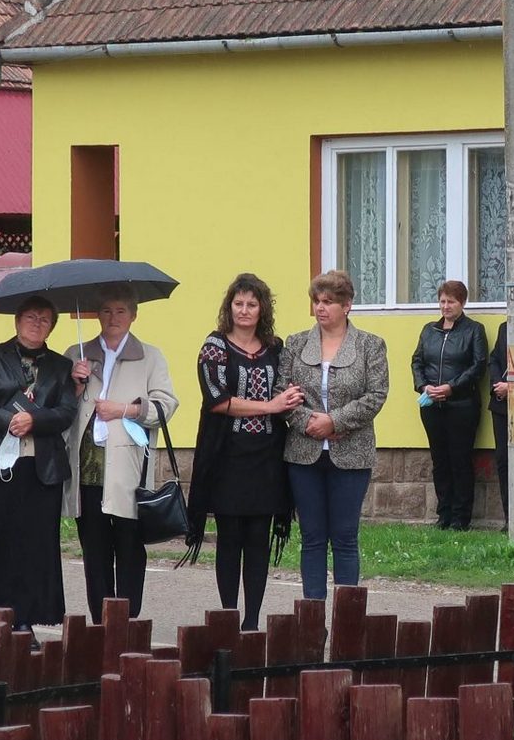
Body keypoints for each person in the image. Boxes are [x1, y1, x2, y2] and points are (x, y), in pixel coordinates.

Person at [0, 295, 78, 626]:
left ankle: (26, 617)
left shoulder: (61, 366)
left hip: (41, 468)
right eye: (31, 317)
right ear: (17, 320)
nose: (37, 324)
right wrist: (7, 418)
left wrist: (34, 421)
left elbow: (66, 412)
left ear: (52, 326)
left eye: (45, 319)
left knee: (33, 546)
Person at [190, 274, 299, 630]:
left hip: (266, 458)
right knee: (230, 538)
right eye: (239, 303)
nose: (244, 310)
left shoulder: (275, 348)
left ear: (262, 308)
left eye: (252, 304)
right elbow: (218, 400)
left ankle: (251, 622)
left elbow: (289, 392)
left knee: (258, 540)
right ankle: (228, 616)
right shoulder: (215, 346)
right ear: (229, 306)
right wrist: (270, 406)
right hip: (227, 457)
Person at [63, 288, 179, 619]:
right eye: (106, 311)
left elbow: (166, 404)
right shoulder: (77, 353)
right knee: (94, 549)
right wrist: (75, 384)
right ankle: (102, 620)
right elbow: (58, 407)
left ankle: (127, 620)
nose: (113, 318)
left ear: (133, 315)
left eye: (120, 311)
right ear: (97, 316)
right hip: (87, 465)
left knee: (129, 545)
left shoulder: (150, 356)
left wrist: (125, 409)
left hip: (128, 465)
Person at [281, 270, 389, 599]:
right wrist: (308, 423)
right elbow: (282, 394)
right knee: (312, 537)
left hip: (351, 455)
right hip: (304, 453)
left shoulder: (370, 345)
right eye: (316, 301)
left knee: (344, 537)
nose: (320, 308)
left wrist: (335, 421)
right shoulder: (296, 343)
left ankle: (347, 619)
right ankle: (312, 617)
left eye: (329, 301)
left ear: (347, 306)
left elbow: (376, 395)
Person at [411, 279, 488, 530]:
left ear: (462, 303)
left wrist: (451, 387)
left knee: (460, 460)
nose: (446, 306)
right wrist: (424, 387)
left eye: (451, 301)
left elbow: (478, 366)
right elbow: (417, 361)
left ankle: (460, 517)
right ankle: (443, 514)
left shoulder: (473, 330)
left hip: (462, 406)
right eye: (442, 301)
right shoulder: (428, 330)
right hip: (432, 405)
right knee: (439, 460)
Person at [488, 319, 514, 524]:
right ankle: (509, 519)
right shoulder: (504, 327)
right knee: (504, 461)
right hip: (501, 405)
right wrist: (499, 384)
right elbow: (495, 359)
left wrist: (512, 387)